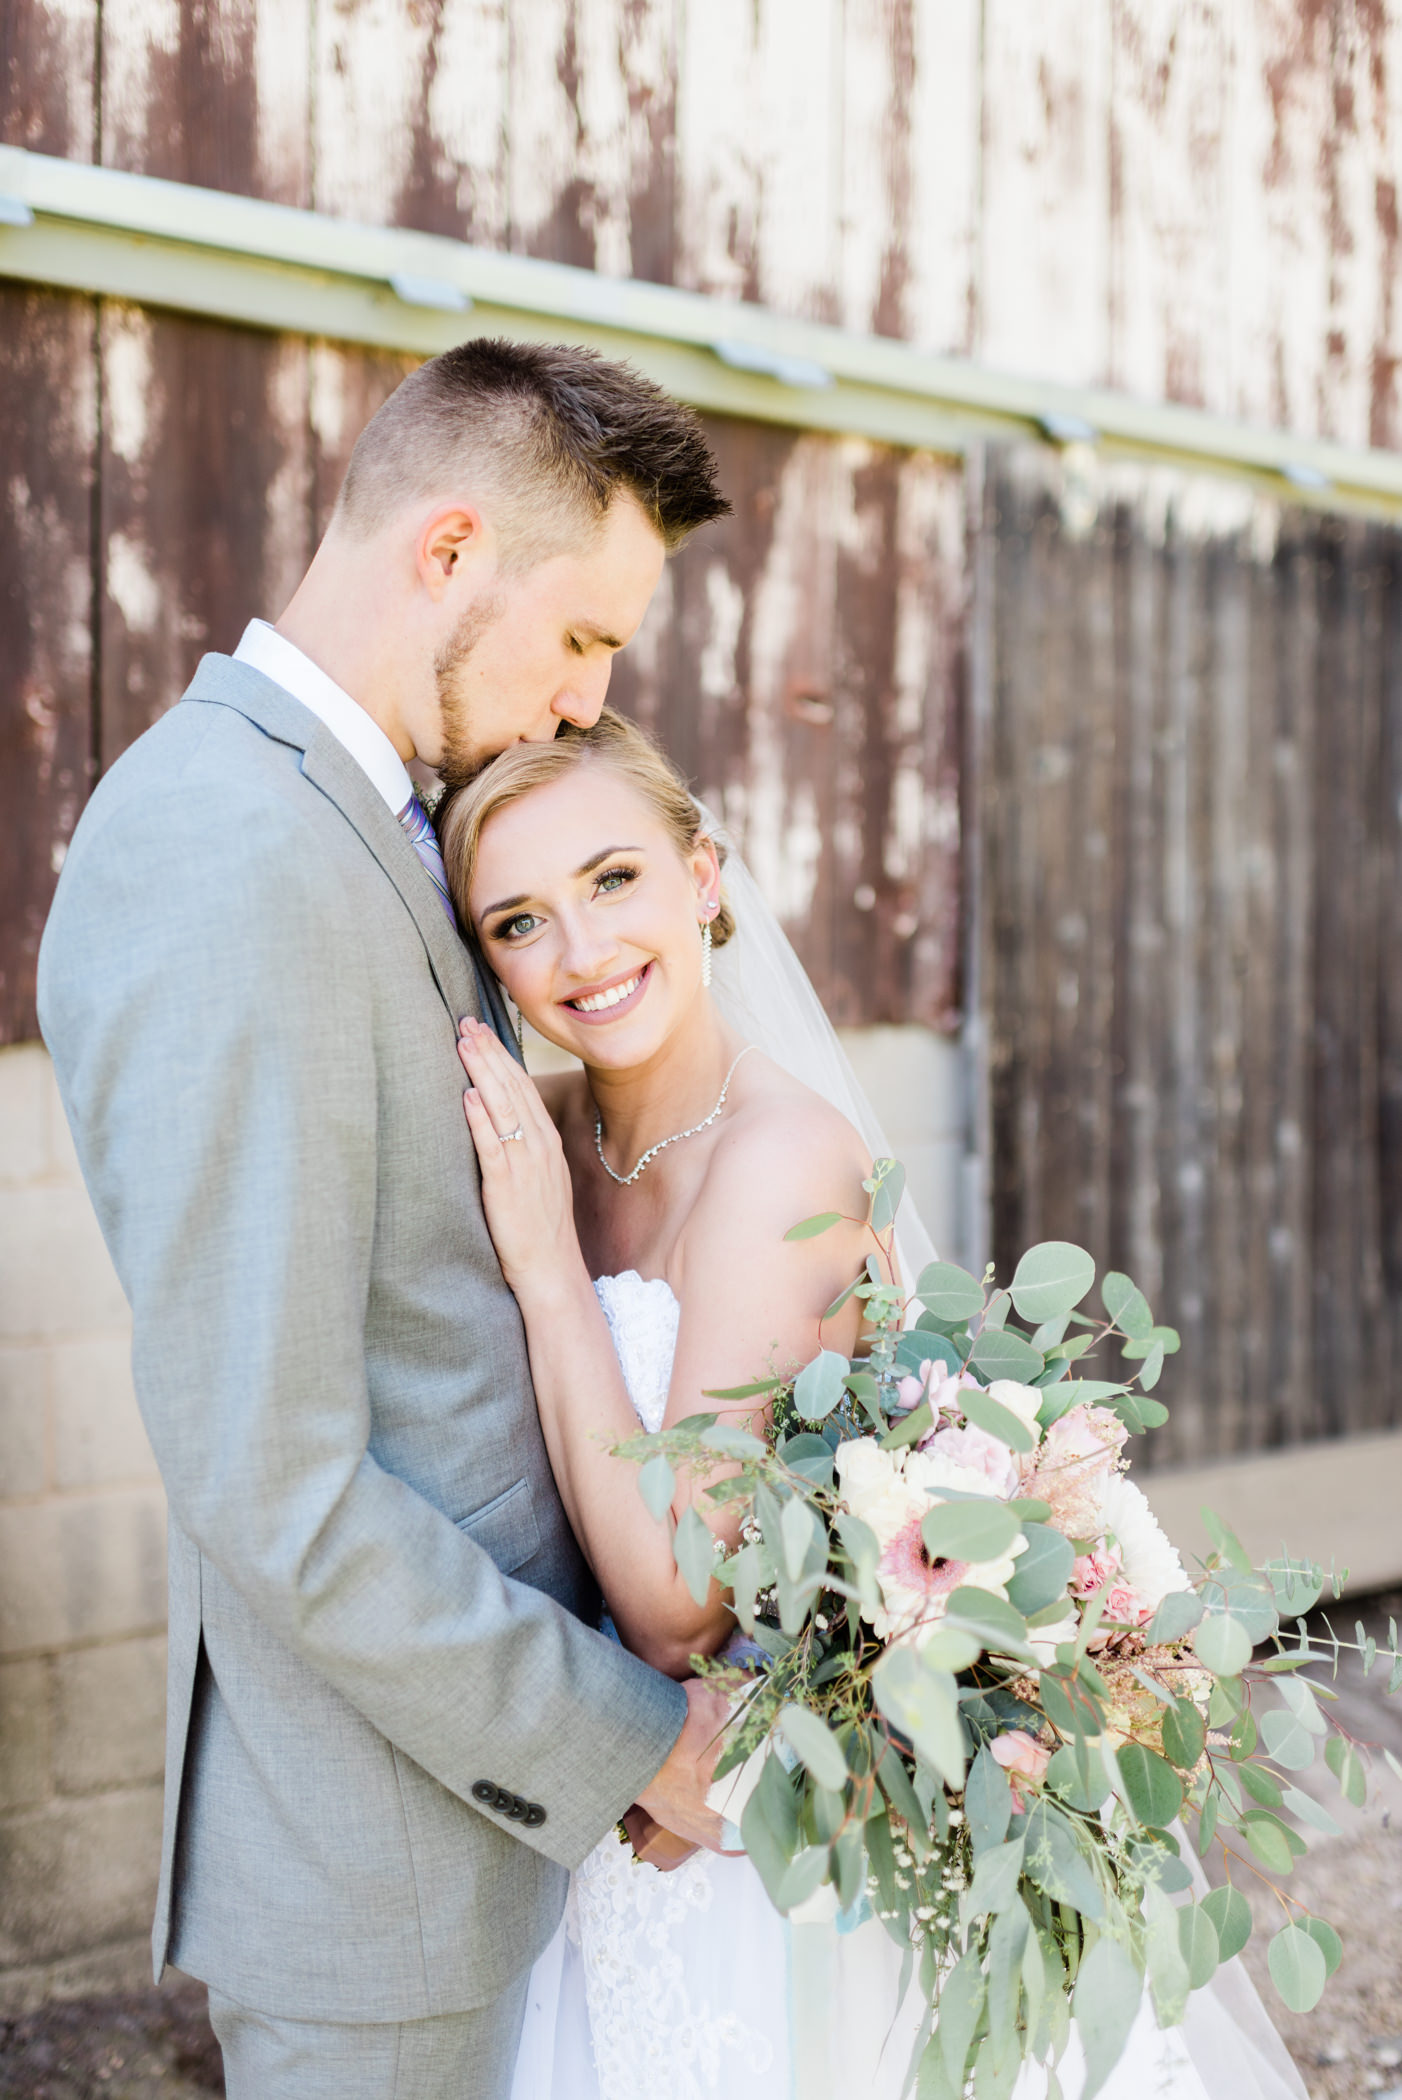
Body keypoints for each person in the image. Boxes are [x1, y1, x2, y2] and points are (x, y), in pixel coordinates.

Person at [36, 339, 735, 2100]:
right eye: (580, 637)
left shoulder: (359, 818)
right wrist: (632, 1737)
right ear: (445, 553)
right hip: (380, 1877)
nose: (586, 703)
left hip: (475, 1827)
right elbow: (276, 1483)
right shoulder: (225, 855)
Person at [437, 708, 1311, 2100]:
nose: (583, 952)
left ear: (704, 876)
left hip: (776, 1828)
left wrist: (548, 1273)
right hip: (626, 1793)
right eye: (519, 921)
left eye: (613, 880)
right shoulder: (540, 1129)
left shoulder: (779, 1160)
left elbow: (678, 1600)